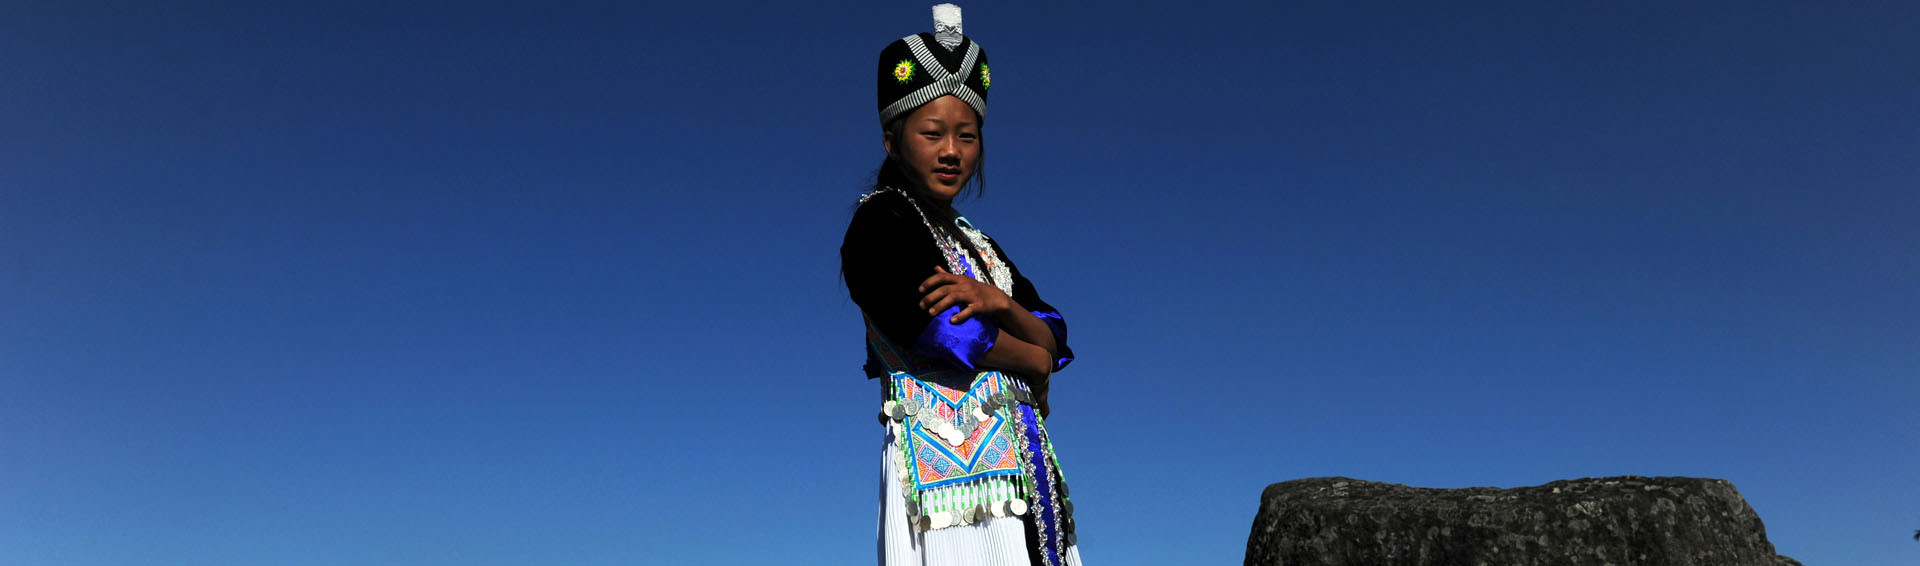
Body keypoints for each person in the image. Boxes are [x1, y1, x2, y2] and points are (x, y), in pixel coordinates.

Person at [840, 5, 1085, 566]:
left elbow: (1054, 332)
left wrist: (999, 302)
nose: (951, 151)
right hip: (952, 491)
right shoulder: (881, 225)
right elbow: (945, 331)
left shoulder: (978, 244)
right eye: (932, 133)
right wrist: (1032, 359)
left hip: (1026, 474)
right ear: (892, 142)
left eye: (966, 136)